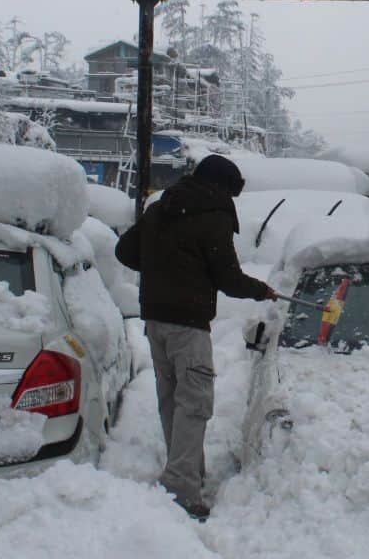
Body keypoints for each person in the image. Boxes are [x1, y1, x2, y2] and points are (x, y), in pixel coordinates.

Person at [115, 155, 276, 520]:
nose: (230, 201)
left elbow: (124, 250)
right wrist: (261, 290)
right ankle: (182, 490)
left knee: (172, 399)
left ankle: (183, 472)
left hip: (155, 319)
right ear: (220, 187)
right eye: (230, 193)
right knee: (195, 404)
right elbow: (229, 279)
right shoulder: (212, 215)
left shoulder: (162, 207)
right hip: (187, 324)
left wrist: (163, 266)